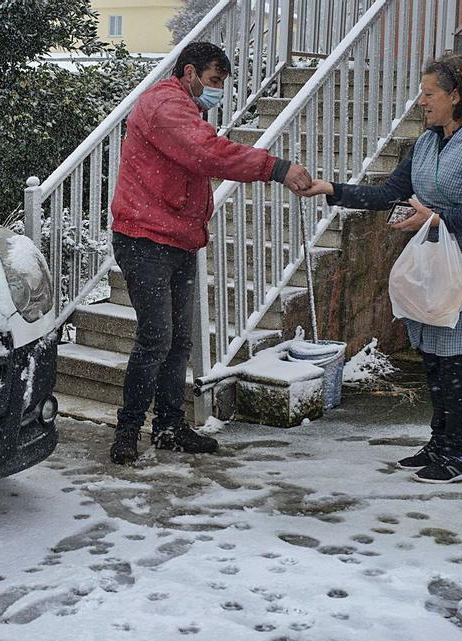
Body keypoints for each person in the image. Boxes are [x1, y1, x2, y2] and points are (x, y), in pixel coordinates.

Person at [298, 54, 462, 484]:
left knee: (460, 363)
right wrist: (333, 190)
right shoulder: (428, 140)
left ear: (456, 95)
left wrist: (434, 218)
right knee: (434, 357)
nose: (421, 101)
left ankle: (459, 456)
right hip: (436, 263)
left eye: (429, 93)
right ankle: (439, 442)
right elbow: (391, 193)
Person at [108, 41, 312, 466]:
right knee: (156, 338)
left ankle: (168, 427)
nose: (217, 90)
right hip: (145, 238)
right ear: (189, 73)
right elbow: (207, 153)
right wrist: (276, 168)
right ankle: (128, 431)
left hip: (177, 237)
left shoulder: (184, 108)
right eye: (214, 81)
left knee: (179, 340)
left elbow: (197, 159)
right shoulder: (165, 105)